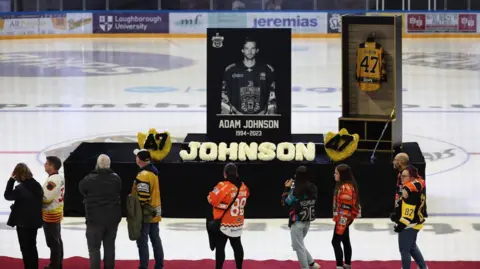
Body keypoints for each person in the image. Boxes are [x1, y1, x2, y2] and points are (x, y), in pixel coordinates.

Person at [79, 154, 122, 269]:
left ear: (97, 165)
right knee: (109, 246)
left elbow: (81, 189)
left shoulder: (88, 179)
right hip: (112, 218)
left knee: (94, 248)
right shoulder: (116, 178)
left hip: (95, 219)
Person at [207, 163, 249, 269]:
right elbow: (247, 196)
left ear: (225, 174)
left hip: (224, 223)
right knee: (237, 246)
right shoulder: (244, 186)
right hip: (238, 222)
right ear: (236, 173)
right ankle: (239, 267)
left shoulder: (222, 186)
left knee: (220, 247)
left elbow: (211, 199)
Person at [220, 36, 277, 115]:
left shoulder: (267, 70)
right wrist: (226, 114)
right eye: (247, 48)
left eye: (252, 48)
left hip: (261, 116)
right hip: (237, 116)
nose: (250, 52)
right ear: (242, 50)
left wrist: (271, 113)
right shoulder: (231, 70)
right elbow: (224, 94)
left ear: (257, 50)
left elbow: (272, 95)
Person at [4, 163, 44, 269]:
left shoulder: (21, 189)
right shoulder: (36, 184)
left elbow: (7, 196)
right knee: (32, 246)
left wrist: (11, 180)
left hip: (23, 223)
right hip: (34, 222)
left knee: (25, 248)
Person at [281, 166, 321, 269]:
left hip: (297, 221)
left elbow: (286, 203)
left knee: (298, 247)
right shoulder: (313, 187)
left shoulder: (296, 190)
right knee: (298, 244)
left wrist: (287, 188)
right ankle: (312, 263)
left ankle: (306, 267)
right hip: (307, 220)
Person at [132, 149, 164, 269]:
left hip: (145, 214)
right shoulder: (153, 172)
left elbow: (143, 196)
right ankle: (159, 265)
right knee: (155, 240)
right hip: (155, 211)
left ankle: (143, 266)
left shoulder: (143, 175)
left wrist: (137, 213)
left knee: (142, 242)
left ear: (139, 159)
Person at [392, 165, 428, 269]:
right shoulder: (416, 185)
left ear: (412, 178)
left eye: (404, 176)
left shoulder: (410, 191)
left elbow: (408, 214)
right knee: (411, 247)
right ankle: (423, 267)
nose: (402, 178)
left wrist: (401, 225)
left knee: (404, 250)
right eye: (401, 176)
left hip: (409, 224)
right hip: (415, 222)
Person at [331, 164, 361, 269]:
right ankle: (347, 264)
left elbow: (346, 208)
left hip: (343, 219)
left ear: (342, 175)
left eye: (336, 173)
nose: (334, 175)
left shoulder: (345, 188)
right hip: (343, 218)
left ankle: (339, 266)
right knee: (345, 240)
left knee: (335, 241)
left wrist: (341, 224)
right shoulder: (344, 185)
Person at [42, 156, 65, 269]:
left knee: (53, 242)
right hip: (56, 211)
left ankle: (55, 265)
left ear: (52, 166)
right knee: (57, 240)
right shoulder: (59, 177)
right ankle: (57, 263)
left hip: (51, 213)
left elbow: (46, 198)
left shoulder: (53, 180)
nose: (45, 165)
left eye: (47, 163)